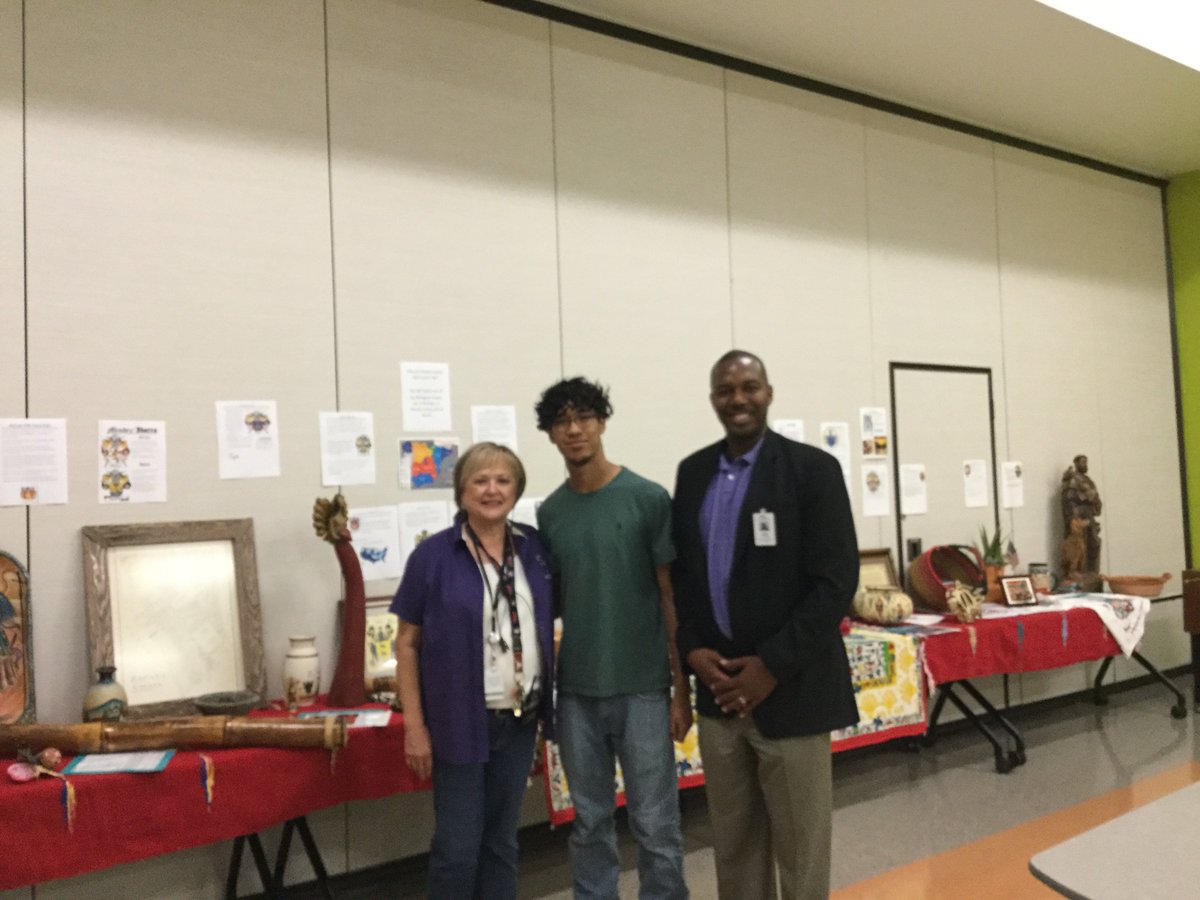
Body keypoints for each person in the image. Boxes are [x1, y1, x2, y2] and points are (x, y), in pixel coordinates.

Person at [671, 351, 859, 900]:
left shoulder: (811, 470)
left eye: (749, 387)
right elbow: (682, 578)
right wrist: (693, 651)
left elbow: (835, 582)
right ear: (713, 401)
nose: (738, 399)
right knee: (735, 850)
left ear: (769, 393)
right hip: (718, 696)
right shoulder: (694, 472)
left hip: (792, 693)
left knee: (801, 854)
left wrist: (770, 666)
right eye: (726, 391)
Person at [534, 376, 691, 900]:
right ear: (552, 435)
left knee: (656, 824)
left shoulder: (647, 498)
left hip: (643, 688)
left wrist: (680, 688)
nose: (574, 429)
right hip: (576, 692)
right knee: (590, 824)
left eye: (584, 417)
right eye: (562, 421)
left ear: (602, 423)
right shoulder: (550, 512)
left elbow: (671, 598)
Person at [391, 442, 554, 900]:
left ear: (517, 490)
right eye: (480, 480)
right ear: (461, 491)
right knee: (458, 847)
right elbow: (406, 643)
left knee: (501, 842)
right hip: (459, 723)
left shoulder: (534, 549)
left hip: (519, 719)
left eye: (503, 480)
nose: (492, 490)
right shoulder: (433, 557)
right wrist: (414, 728)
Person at [1060, 454, 1102, 589]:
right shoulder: (1073, 480)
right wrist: (1073, 518)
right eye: (1082, 462)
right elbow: (1068, 498)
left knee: (1094, 543)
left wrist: (1094, 500)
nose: (1085, 464)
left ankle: (1092, 572)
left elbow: (1095, 499)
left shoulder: (1088, 480)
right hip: (1078, 517)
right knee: (1078, 547)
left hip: (1088, 516)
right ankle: (1077, 572)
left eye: (1086, 462)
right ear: (1077, 464)